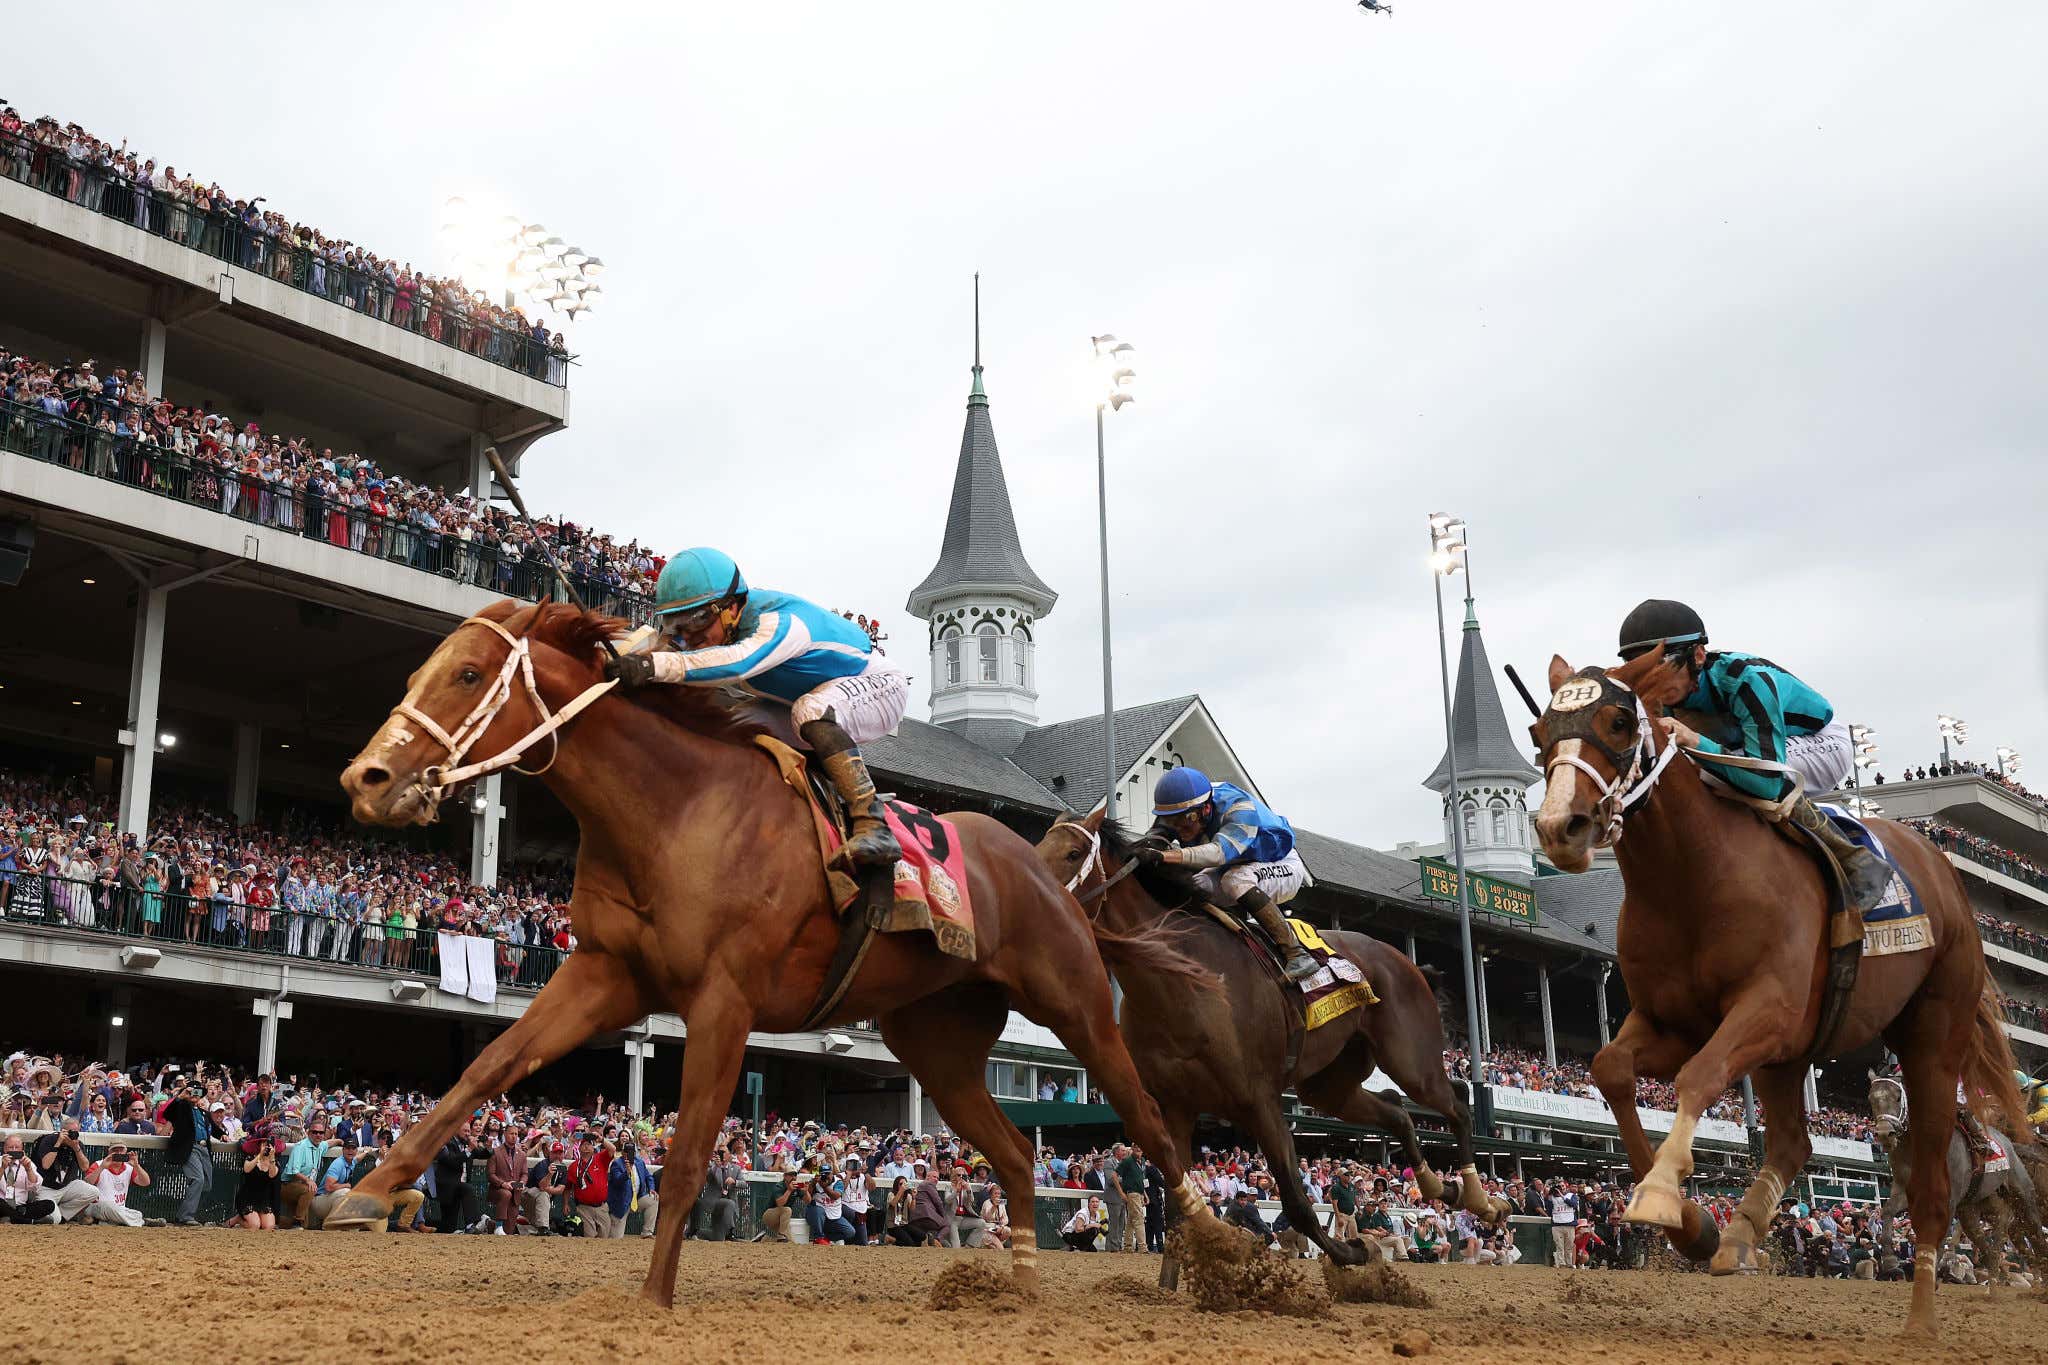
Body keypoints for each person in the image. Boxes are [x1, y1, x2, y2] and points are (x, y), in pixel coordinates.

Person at [602, 547, 910, 866]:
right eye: (677, 625)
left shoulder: (778, 622)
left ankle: (874, 824)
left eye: (697, 621)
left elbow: (738, 663)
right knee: (734, 725)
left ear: (731, 608)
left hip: (881, 686)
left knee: (811, 710)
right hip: (800, 699)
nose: (689, 637)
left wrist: (654, 666)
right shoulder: (718, 629)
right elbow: (663, 650)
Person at [1615, 599, 1888, 912]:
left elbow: (1768, 779)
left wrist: (1695, 741)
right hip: (1748, 747)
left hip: (1818, 743)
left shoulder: (1748, 679)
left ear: (1698, 656)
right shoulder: (1656, 696)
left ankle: (1854, 859)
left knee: (1721, 774)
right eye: (1641, 672)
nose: (1651, 684)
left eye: (1661, 669)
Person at [1136, 766, 1317, 981]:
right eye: (1171, 822)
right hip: (1237, 864)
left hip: (1281, 863)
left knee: (1235, 881)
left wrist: (1164, 856)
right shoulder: (1183, 806)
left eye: (1185, 821)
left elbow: (1219, 854)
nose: (1179, 830)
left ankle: (1296, 953)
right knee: (1197, 885)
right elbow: (1153, 839)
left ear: (1204, 810)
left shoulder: (1240, 808)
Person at [80, 1142, 156, 1226]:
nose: (119, 1153)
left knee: (124, 1212)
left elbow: (145, 1182)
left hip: (119, 1209)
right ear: (109, 1152)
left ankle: (103, 1222)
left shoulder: (129, 1167)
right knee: (110, 1207)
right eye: (115, 1151)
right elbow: (87, 1183)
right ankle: (143, 1221)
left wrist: (136, 1166)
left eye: (121, 1151)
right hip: (97, 1206)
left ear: (125, 1152)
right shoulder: (99, 1164)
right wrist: (101, 1168)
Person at [1, 1134, 56, 1223]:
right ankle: (29, 1221)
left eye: (17, 1148)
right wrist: (2, 1168)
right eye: (11, 1147)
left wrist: (28, 1169)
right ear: (4, 1149)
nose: (14, 1150)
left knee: (49, 1205)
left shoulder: (27, 1163)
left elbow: (35, 1187)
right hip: (3, 1204)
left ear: (22, 1150)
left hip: (21, 1207)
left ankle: (11, 1218)